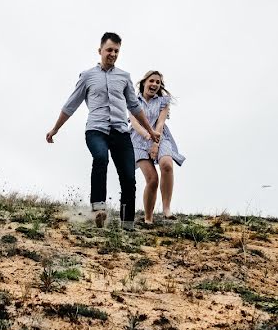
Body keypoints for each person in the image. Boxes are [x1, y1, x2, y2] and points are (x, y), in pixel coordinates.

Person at [46, 32, 159, 230]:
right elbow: (71, 104)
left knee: (128, 177)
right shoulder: (88, 76)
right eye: (109, 50)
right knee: (100, 158)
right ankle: (98, 209)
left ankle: (127, 223)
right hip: (96, 130)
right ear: (100, 51)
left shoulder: (124, 77)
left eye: (116, 51)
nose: (113, 54)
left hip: (120, 131)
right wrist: (55, 128)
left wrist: (150, 130)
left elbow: (134, 107)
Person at [130, 70, 185, 222]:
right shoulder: (133, 101)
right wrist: (148, 136)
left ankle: (166, 209)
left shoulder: (163, 101)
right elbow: (135, 124)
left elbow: (160, 123)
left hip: (160, 137)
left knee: (167, 165)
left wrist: (155, 143)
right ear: (144, 83)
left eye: (158, 82)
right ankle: (148, 218)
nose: (154, 84)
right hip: (138, 140)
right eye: (151, 81)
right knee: (152, 179)